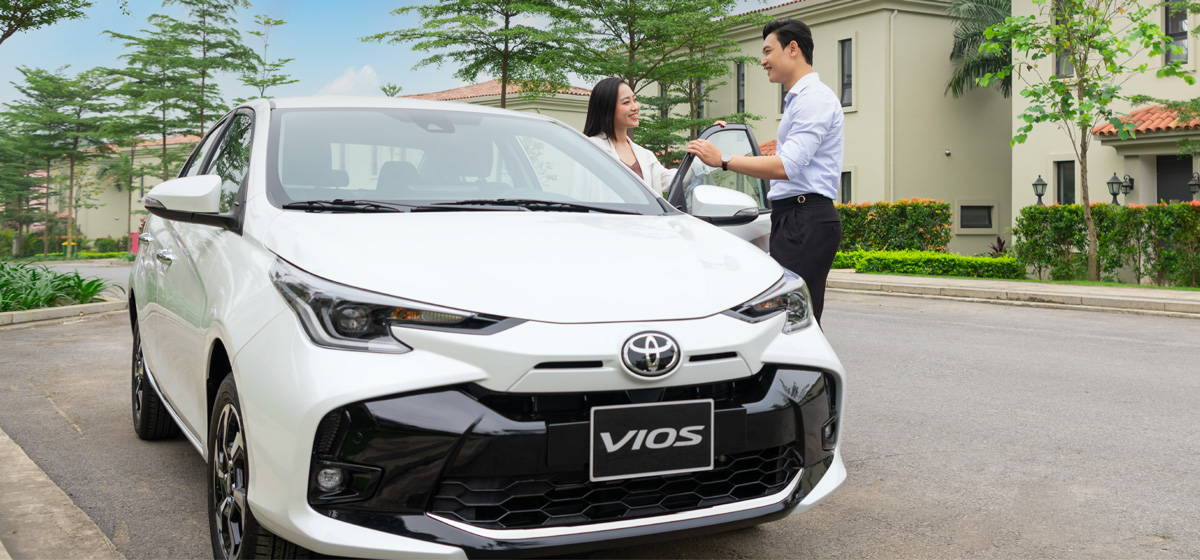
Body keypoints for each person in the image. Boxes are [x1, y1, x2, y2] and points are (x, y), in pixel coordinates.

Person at [685, 18, 844, 325]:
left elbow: (787, 165)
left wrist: (724, 158)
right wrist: (723, 150)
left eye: (768, 51)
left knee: (791, 322)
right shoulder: (800, 100)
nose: (763, 60)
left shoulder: (813, 99)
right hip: (796, 217)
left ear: (793, 49)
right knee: (793, 320)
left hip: (804, 218)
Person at [583, 77, 676, 194]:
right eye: (626, 102)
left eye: (635, 100)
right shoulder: (592, 148)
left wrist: (697, 160)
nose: (635, 107)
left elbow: (673, 180)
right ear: (607, 108)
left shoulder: (645, 156)